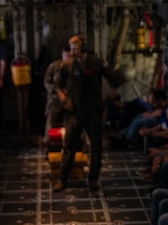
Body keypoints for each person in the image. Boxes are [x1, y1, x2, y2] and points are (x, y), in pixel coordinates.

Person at [52, 35, 122, 192]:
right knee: (69, 146)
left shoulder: (97, 63)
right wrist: (64, 101)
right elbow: (57, 85)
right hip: (75, 112)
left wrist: (108, 100)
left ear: (83, 47)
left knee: (96, 147)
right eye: (71, 48)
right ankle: (62, 179)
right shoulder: (68, 65)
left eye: (75, 47)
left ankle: (93, 178)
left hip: (93, 112)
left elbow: (115, 80)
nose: (72, 51)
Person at [43, 48, 70, 139]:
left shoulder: (75, 66)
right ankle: (48, 139)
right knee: (51, 111)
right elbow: (47, 81)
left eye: (69, 56)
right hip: (55, 97)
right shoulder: (54, 66)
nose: (67, 58)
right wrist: (56, 90)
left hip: (70, 97)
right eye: (65, 56)